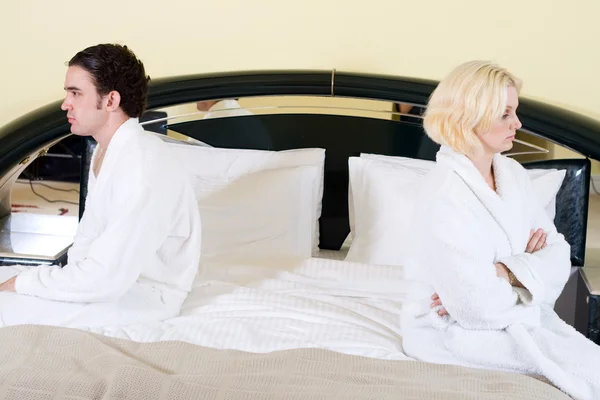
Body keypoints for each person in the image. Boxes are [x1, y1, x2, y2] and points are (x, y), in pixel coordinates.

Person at [400, 60, 600, 400]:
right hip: (449, 331)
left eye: (515, 112)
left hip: (512, 319)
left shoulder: (513, 174)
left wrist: (505, 271)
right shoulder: (445, 193)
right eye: (505, 114)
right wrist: (525, 272)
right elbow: (477, 307)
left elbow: (558, 256)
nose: (518, 124)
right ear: (471, 117)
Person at [0, 44, 201, 330]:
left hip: (142, 295)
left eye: (75, 93)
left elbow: (106, 279)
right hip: (96, 282)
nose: (64, 104)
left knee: (5, 310)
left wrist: (24, 283)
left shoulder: (143, 169)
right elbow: (89, 240)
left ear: (110, 101)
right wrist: (50, 282)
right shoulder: (106, 151)